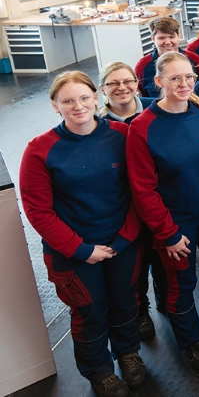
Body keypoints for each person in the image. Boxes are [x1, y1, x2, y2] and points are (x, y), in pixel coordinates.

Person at [20, 71, 147, 397]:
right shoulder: (39, 151)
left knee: (125, 302)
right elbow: (39, 212)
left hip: (122, 243)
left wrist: (122, 240)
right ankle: (100, 370)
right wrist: (81, 249)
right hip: (72, 252)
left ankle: (128, 353)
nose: (78, 106)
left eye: (84, 98)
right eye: (68, 101)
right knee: (90, 312)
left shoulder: (122, 135)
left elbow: (140, 193)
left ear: (96, 97)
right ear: (55, 106)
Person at [127, 52, 199, 378]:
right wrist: (168, 233)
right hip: (176, 224)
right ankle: (191, 341)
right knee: (181, 285)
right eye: (175, 78)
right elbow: (143, 190)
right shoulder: (142, 128)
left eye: (189, 77)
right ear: (159, 81)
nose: (184, 84)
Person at [97, 62, 160, 343]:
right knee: (135, 264)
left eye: (127, 81)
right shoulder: (97, 125)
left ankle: (167, 298)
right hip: (123, 207)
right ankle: (141, 310)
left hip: (160, 200)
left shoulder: (156, 109)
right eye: (113, 83)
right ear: (102, 90)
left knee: (163, 257)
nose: (122, 88)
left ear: (137, 83)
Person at [135, 17, 199, 97]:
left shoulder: (196, 60)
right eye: (161, 38)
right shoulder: (142, 66)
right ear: (153, 38)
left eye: (171, 37)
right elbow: (139, 97)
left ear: (178, 35)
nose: (167, 42)